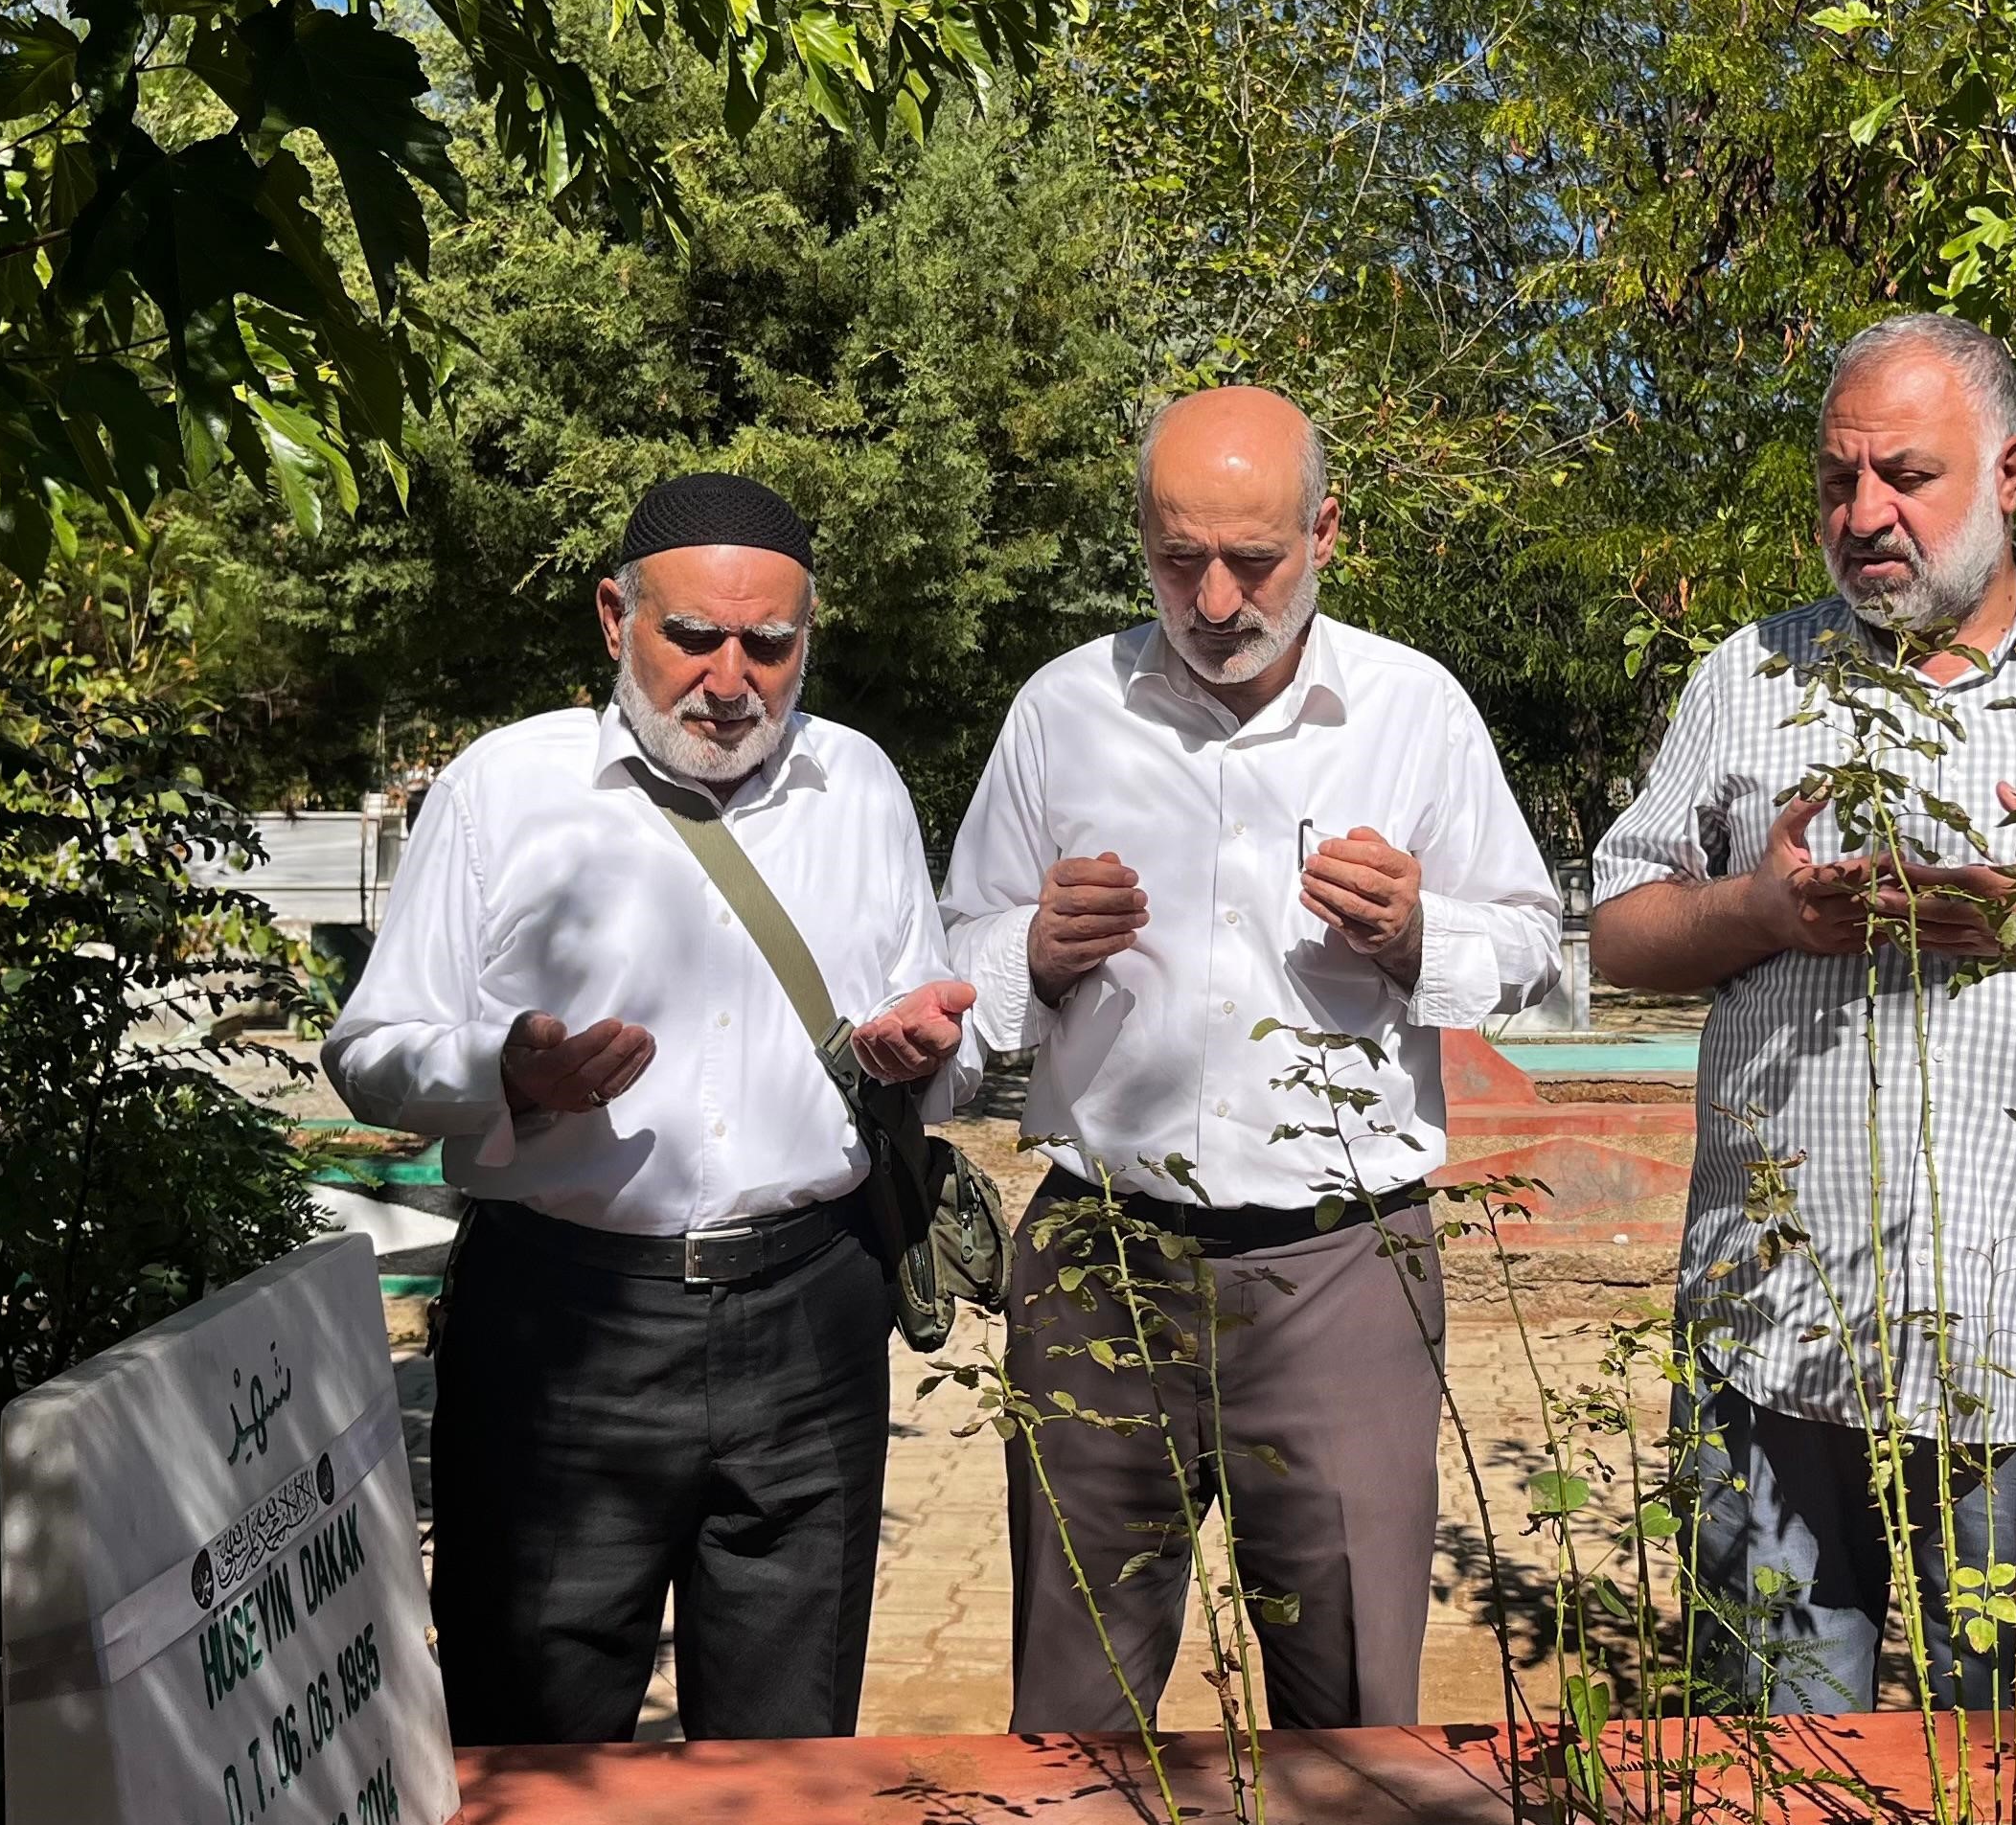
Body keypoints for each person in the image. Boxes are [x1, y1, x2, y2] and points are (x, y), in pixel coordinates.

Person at [1588, 314, 2016, 1714]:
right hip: (1777, 1327)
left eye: (1905, 476)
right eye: (1836, 484)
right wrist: (1765, 913)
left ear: (2010, 471)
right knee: (1779, 1794)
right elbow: (1620, 930)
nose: (1863, 518)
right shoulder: (1752, 676)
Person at [943, 387, 1562, 1733]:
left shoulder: (1414, 710)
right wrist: (1034, 955)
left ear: (1326, 531)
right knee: (1075, 1696)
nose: (1213, 598)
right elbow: (960, 945)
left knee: (1347, 1700)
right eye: (1177, 559)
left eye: (1252, 560)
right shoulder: (1063, 710)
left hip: (1343, 1266)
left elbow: (1534, 947)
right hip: (1100, 1258)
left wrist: (1416, 937)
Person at [324, 471, 977, 1744]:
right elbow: (367, 1049)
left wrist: (920, 1053)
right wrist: (503, 1073)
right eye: (693, 637)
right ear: (615, 615)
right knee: (532, 1738)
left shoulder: (861, 785)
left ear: (806, 640)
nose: (730, 680)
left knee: (787, 1749)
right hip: (563, 1330)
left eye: (768, 645)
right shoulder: (503, 787)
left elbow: (926, 1024)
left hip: (813, 1314)